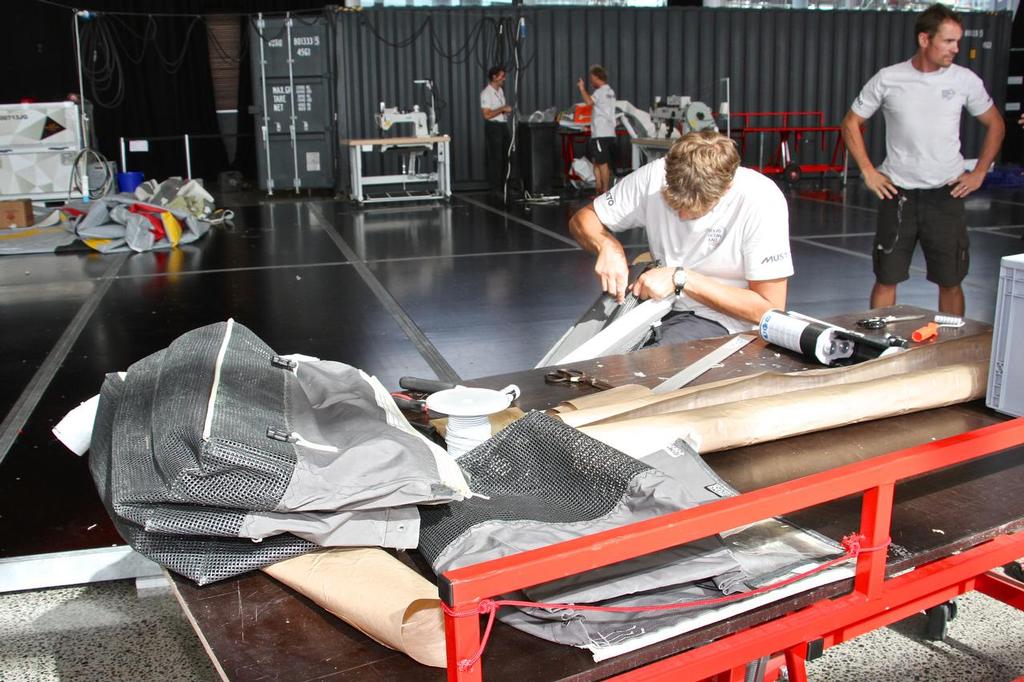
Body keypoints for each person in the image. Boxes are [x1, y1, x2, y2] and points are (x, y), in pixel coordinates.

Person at [841, 3, 1004, 317]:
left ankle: (952, 350)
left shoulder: (964, 80)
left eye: (958, 42)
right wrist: (868, 171)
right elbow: (850, 123)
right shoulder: (889, 78)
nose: (955, 49)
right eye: (948, 41)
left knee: (951, 280)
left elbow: (996, 123)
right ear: (925, 40)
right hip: (897, 196)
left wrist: (979, 172)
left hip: (946, 196)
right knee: (886, 277)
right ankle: (881, 345)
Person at [568, 131, 793, 344]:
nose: (681, 214)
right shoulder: (653, 176)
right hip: (657, 305)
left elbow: (769, 309)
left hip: (720, 318)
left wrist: (682, 280)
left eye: (694, 208)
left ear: (726, 189)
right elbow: (584, 219)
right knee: (584, 357)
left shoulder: (761, 200)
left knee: (640, 369)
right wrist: (606, 245)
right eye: (674, 203)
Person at [576, 65, 617, 195]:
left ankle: (605, 191)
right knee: (598, 162)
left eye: (592, 79)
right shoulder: (610, 92)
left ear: (598, 78)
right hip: (609, 132)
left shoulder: (599, 92)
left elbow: (588, 102)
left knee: (602, 163)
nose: (591, 82)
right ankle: (599, 189)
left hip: (600, 133)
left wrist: (582, 88)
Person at [480, 65, 512, 196]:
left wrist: (504, 112)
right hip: (493, 127)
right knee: (496, 158)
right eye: (501, 76)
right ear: (494, 77)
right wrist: (502, 109)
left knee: (506, 156)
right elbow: (486, 115)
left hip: (503, 126)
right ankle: (496, 188)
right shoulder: (486, 93)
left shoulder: (500, 91)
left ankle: (505, 186)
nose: (503, 78)